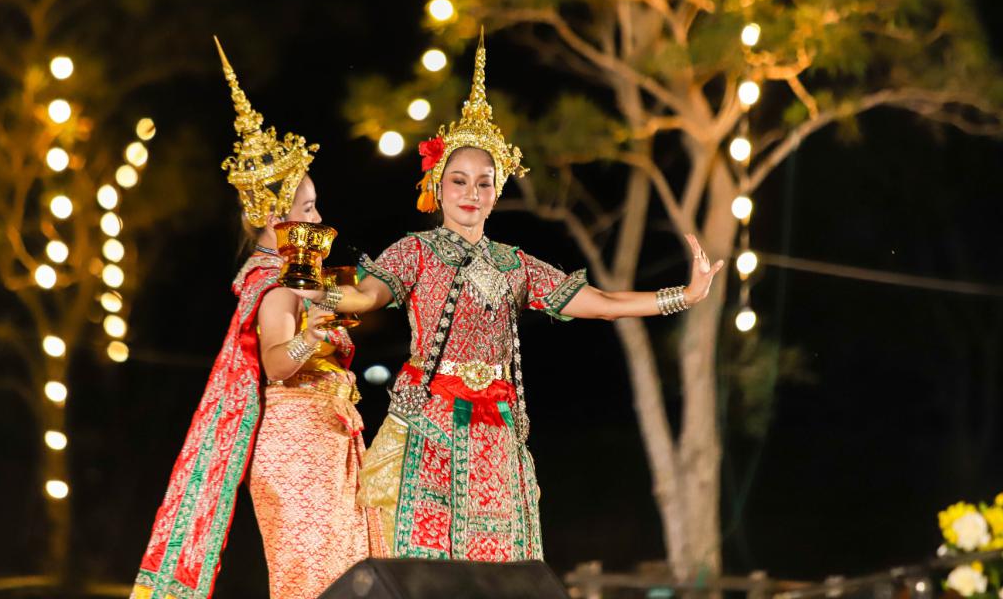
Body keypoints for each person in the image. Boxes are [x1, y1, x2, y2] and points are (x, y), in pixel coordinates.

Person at [314, 31, 724, 561]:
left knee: (497, 565)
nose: (471, 193)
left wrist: (683, 296)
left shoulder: (515, 264)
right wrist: (315, 289)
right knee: (425, 562)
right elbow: (367, 296)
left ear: (498, 190)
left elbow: (600, 302)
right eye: (459, 181)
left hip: (496, 431)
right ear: (438, 187)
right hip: (430, 424)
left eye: (483, 182)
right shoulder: (415, 251)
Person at [131, 39, 382, 599]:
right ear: (273, 217)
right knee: (314, 584)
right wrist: (310, 336)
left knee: (348, 581)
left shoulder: (301, 278)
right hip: (295, 450)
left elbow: (360, 298)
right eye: (308, 209)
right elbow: (275, 365)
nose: (319, 217)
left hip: (328, 440)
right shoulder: (274, 286)